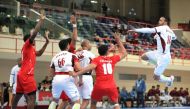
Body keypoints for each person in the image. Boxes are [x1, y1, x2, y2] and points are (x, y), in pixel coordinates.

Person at [71, 33, 127, 109]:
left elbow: (87, 68)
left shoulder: (97, 60)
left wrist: (76, 74)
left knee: (93, 103)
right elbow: (124, 53)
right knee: (116, 104)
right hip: (111, 86)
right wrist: (118, 40)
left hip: (99, 86)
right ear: (108, 52)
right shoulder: (112, 59)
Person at [11, 13, 49, 109]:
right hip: (26, 75)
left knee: (17, 96)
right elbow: (34, 33)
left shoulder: (31, 50)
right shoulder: (27, 46)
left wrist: (46, 43)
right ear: (29, 40)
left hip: (21, 75)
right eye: (33, 39)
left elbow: (39, 53)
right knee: (32, 98)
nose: (35, 40)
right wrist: (41, 20)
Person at [128, 17, 176, 86]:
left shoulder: (162, 28)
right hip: (158, 53)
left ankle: (170, 79)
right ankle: (156, 64)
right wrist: (159, 36)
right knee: (144, 57)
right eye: (159, 20)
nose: (159, 21)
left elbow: (149, 30)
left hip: (164, 57)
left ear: (165, 22)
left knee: (156, 77)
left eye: (160, 20)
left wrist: (136, 30)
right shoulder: (170, 31)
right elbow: (174, 37)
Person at [48, 39, 81, 109]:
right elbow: (78, 68)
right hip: (67, 78)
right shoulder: (72, 55)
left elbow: (51, 73)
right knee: (77, 102)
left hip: (56, 79)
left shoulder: (55, 57)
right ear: (68, 46)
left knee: (54, 101)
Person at [76, 39, 95, 109]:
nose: (90, 45)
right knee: (86, 100)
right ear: (86, 45)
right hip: (87, 77)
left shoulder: (76, 54)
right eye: (89, 43)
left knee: (76, 100)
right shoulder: (91, 54)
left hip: (77, 77)